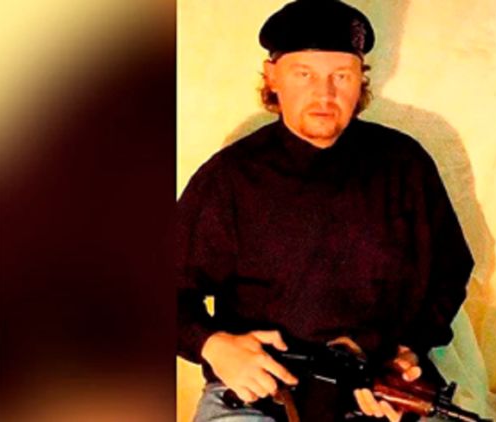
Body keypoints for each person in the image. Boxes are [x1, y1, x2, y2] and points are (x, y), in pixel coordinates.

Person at [177, 1, 474, 420]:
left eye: (341, 76)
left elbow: (449, 270)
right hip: (257, 396)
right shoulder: (229, 178)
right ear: (272, 77)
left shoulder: (404, 165)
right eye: (304, 74)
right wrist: (212, 344)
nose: (325, 94)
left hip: (372, 394)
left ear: (361, 79)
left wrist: (407, 351)